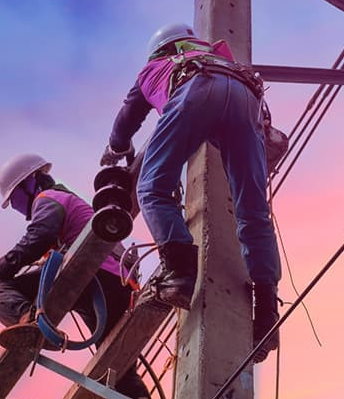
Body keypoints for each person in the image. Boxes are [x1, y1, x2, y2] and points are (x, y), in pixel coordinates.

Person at [99, 22, 281, 362]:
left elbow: (127, 119)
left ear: (158, 50)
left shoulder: (155, 68)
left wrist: (115, 149)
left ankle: (179, 274)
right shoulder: (217, 55)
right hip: (246, 97)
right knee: (254, 211)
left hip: (197, 88)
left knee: (152, 186)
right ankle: (268, 310)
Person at [0, 152, 156, 399]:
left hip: (89, 274)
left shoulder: (49, 199)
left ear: (28, 184)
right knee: (113, 362)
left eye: (16, 201)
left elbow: (39, 236)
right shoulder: (72, 204)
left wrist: (1, 268)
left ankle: (30, 324)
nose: (19, 210)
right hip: (118, 283)